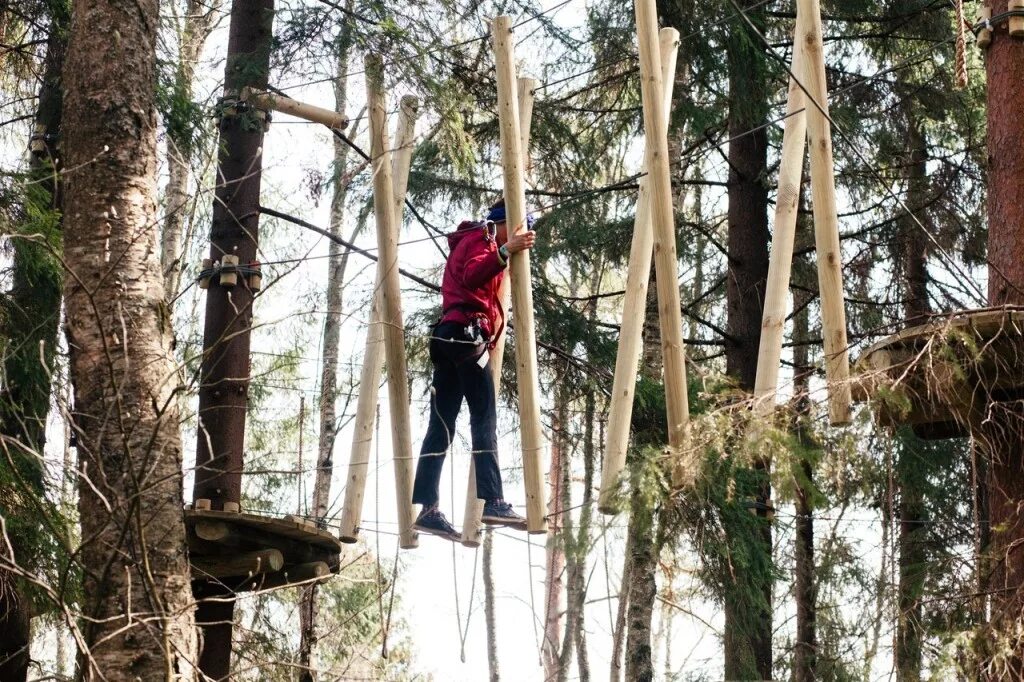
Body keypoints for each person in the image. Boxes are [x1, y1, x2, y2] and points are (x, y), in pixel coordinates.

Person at [411, 198, 536, 541]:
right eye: (521, 228)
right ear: (505, 222)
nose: (523, 236)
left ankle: (428, 509)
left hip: (449, 337)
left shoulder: (475, 241)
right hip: (465, 336)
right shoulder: (483, 239)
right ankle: (493, 500)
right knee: (483, 416)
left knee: (441, 425)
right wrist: (505, 251)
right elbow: (472, 274)